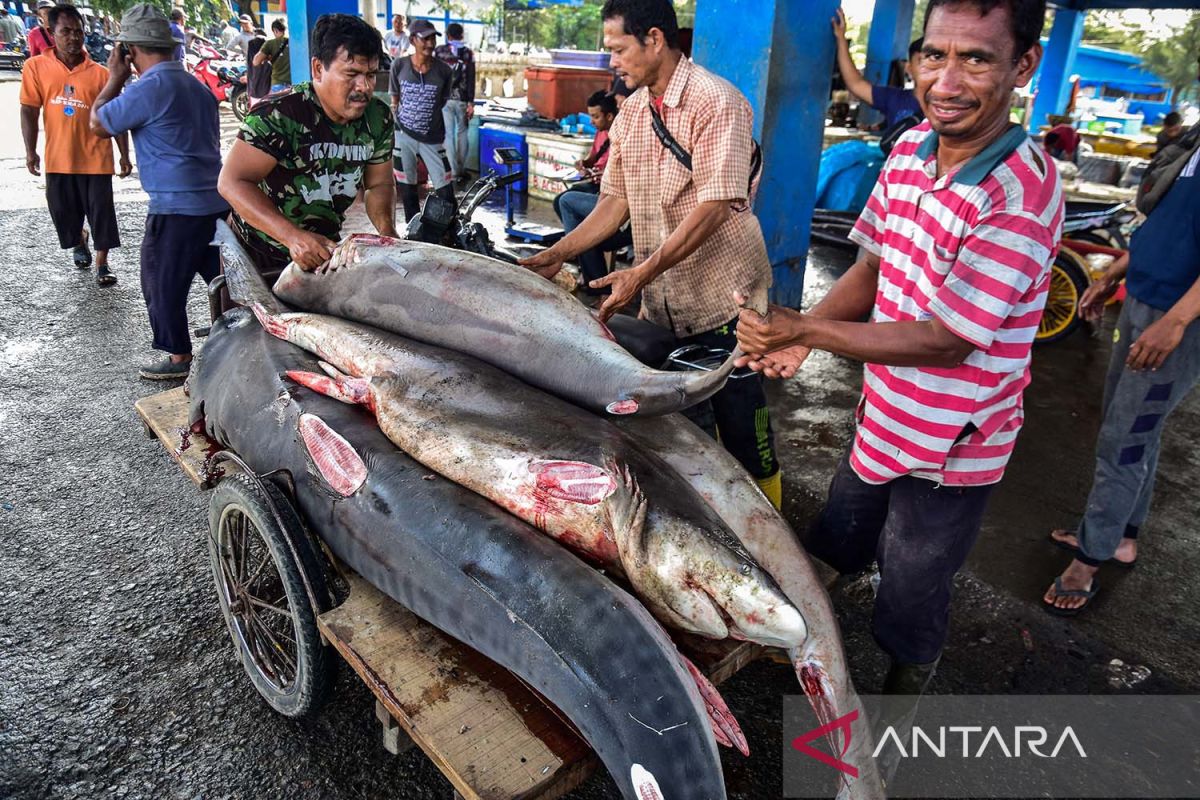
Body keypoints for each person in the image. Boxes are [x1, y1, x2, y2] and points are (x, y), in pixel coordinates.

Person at [734, 0, 1059, 701]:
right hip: (884, 414)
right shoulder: (910, 148)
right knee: (837, 537)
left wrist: (804, 330)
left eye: (975, 58)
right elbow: (873, 266)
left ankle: (905, 688)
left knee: (913, 585)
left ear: (1023, 65)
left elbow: (947, 339)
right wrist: (807, 331)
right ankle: (808, 639)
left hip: (955, 446)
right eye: (933, 54)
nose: (945, 81)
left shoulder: (1021, 192)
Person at [520, 0, 783, 505]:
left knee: (744, 425)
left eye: (618, 49)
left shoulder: (717, 102)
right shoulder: (634, 112)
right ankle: (716, 518)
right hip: (666, 299)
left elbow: (714, 205)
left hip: (725, 297)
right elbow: (613, 202)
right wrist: (559, 251)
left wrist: (642, 271)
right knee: (687, 425)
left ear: (655, 39)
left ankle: (775, 531)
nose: (612, 62)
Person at [1042, 134, 1200, 614]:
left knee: (1123, 439)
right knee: (1132, 429)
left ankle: (1087, 563)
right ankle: (1118, 536)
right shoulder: (1194, 145)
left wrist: (1174, 322)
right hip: (1143, 298)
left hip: (1177, 315)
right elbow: (1168, 225)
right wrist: (1113, 274)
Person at [90, 4, 228, 380]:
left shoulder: (147, 89)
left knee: (160, 283)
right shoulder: (198, 88)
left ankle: (178, 359)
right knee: (224, 282)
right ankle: (238, 342)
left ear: (129, 51)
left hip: (174, 208)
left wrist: (113, 77)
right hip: (215, 205)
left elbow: (98, 124)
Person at [218, 13, 396, 276]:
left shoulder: (377, 118)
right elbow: (232, 182)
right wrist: (291, 236)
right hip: (259, 251)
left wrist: (387, 233)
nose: (364, 86)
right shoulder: (278, 114)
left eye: (371, 74)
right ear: (318, 69)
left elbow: (379, 183)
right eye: (352, 74)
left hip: (323, 250)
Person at [20, 3, 131, 287]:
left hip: (96, 157)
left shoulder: (100, 74)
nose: (73, 37)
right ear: (51, 32)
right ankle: (80, 237)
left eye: (78, 31)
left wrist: (124, 155)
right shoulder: (36, 67)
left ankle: (102, 263)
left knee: (102, 213)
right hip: (59, 157)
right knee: (62, 212)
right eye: (65, 31)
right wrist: (30, 150)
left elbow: (113, 116)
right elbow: (29, 110)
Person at [552, 90, 629, 291]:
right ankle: (587, 253)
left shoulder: (626, 136)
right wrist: (584, 164)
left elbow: (623, 179)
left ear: (610, 116)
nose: (592, 121)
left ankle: (588, 258)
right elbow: (593, 158)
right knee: (562, 201)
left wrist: (604, 177)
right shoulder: (601, 133)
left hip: (620, 198)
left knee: (567, 202)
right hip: (600, 186)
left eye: (596, 116)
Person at [389, 18, 454, 221]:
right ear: (413, 40)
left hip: (432, 137)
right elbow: (395, 99)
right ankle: (413, 229)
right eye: (425, 39)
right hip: (403, 135)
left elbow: (442, 100)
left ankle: (449, 230)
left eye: (433, 38)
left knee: (445, 189)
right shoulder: (399, 66)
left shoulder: (444, 71)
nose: (430, 44)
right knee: (408, 188)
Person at [832, 7, 923, 130]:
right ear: (909, 69)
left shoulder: (951, 106)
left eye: (936, 60)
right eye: (922, 62)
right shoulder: (895, 99)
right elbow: (856, 84)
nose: (929, 68)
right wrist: (841, 39)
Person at [435, 22, 475, 181]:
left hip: (444, 99)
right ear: (462, 35)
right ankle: (461, 167)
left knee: (448, 134)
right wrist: (471, 102)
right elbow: (471, 77)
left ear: (447, 35)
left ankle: (453, 170)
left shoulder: (439, 52)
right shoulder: (468, 53)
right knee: (463, 132)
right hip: (463, 99)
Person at [253, 18, 291, 95]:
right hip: (295, 85)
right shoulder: (294, 42)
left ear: (275, 30)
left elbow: (256, 62)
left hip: (278, 85)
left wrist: (267, 58)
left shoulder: (270, 44)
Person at [244, 27, 271, 106]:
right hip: (266, 85)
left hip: (254, 85)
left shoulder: (251, 44)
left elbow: (250, 65)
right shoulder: (267, 44)